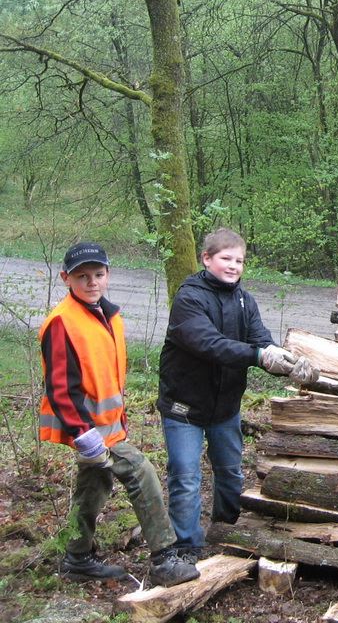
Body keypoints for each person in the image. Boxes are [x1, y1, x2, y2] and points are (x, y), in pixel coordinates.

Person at [40, 243, 199, 587]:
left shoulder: (108, 316)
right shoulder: (62, 322)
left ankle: (77, 557)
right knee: (141, 471)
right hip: (90, 430)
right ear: (66, 278)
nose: (92, 282)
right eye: (82, 276)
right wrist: (84, 435)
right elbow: (60, 388)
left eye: (98, 274)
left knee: (94, 484)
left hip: (108, 427)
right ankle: (164, 558)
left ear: (108, 275)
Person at [157, 228, 316, 562]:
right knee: (186, 477)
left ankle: (227, 530)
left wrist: (287, 363)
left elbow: (261, 340)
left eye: (239, 260)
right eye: (226, 258)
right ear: (206, 259)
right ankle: (187, 547)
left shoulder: (245, 300)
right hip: (184, 407)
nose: (233, 266)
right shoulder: (189, 299)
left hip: (225, 407)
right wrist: (259, 356)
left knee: (230, 473)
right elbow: (209, 344)